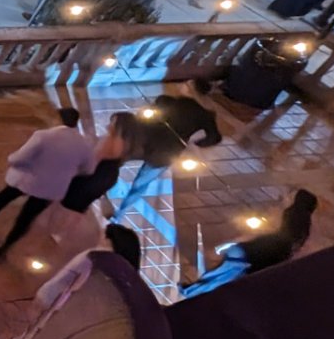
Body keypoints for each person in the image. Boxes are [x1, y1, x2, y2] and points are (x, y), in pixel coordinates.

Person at [0, 108, 96, 263]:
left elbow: (19, 157)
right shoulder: (84, 144)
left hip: (27, 179)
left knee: (2, 199)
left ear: (58, 119)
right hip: (51, 189)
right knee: (26, 218)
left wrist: (11, 159)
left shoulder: (44, 136)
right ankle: (4, 249)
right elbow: (88, 169)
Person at [180, 190, 317, 298]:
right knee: (222, 278)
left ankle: (191, 290)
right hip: (251, 257)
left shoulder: (294, 214)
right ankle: (192, 291)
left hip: (248, 252)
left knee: (220, 274)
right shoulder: (301, 226)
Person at [115, 81, 223, 218]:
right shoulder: (206, 115)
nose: (181, 85)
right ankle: (118, 215)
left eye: (186, 84)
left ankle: (97, 185)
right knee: (140, 184)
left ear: (191, 89)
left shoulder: (166, 101)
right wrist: (193, 143)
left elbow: (144, 117)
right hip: (166, 153)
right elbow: (215, 137)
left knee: (115, 161)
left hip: (143, 142)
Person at [36, 223, 142, 309]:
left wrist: (44, 296)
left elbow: (63, 279)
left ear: (108, 240)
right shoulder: (127, 282)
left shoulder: (93, 257)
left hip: (66, 311)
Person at [57, 111, 135, 227]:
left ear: (119, 126)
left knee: (70, 199)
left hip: (94, 176)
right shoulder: (126, 144)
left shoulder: (110, 141)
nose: (108, 126)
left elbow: (92, 161)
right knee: (79, 203)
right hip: (106, 177)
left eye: (112, 122)